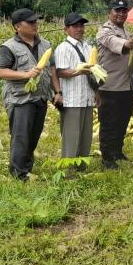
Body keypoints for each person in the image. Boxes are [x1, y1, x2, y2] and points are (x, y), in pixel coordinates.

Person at [0, 8, 61, 181]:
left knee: (33, 135)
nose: (35, 24)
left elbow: (52, 69)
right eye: (30, 22)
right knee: (21, 137)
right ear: (17, 26)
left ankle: (26, 168)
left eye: (36, 21)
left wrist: (57, 91)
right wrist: (25, 75)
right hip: (20, 99)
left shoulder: (45, 44)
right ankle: (18, 174)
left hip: (40, 97)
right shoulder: (8, 47)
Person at [96, 0, 133, 169]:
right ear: (110, 12)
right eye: (117, 11)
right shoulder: (104, 31)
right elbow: (120, 45)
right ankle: (107, 157)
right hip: (109, 86)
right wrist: (130, 44)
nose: (121, 14)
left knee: (123, 120)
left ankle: (117, 151)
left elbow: (132, 62)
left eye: (124, 11)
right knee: (109, 123)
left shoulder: (127, 32)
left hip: (126, 86)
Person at [53, 12, 95, 161]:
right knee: (71, 135)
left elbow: (93, 71)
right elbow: (60, 71)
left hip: (87, 97)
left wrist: (97, 93)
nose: (80, 29)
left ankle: (81, 165)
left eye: (81, 25)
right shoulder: (64, 48)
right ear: (66, 29)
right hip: (72, 99)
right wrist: (79, 71)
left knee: (86, 135)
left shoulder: (88, 47)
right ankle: (68, 169)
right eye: (75, 26)